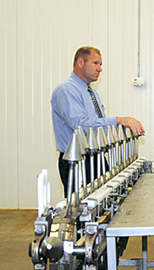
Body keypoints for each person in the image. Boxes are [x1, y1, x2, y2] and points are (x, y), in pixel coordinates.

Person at [51, 46, 146, 196]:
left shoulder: (91, 93)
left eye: (100, 64)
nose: (100, 69)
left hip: (96, 158)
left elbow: (98, 125)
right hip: (77, 162)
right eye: (95, 63)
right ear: (80, 62)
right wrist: (118, 120)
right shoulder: (66, 90)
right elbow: (80, 125)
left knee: (102, 203)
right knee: (82, 210)